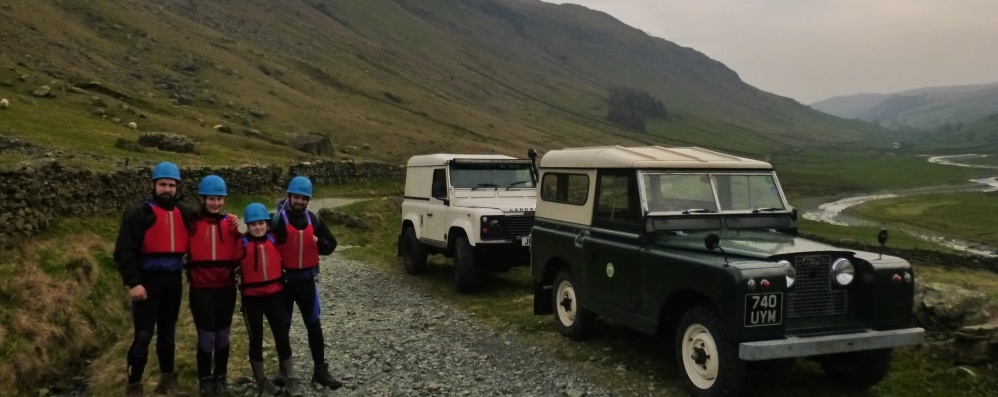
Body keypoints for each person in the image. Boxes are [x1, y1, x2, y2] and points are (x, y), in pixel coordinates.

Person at [114, 162, 193, 397]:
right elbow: (124, 251)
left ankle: (166, 381)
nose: (167, 189)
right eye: (162, 185)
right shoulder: (138, 214)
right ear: (153, 185)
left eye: (171, 185)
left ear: (177, 187)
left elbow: (210, 219)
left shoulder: (185, 213)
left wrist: (229, 220)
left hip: (172, 280)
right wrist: (133, 282)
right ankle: (134, 385)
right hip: (147, 281)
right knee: (144, 334)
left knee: (168, 333)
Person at [270, 176, 343, 390]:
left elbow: (331, 245)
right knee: (282, 327)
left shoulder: (315, 220)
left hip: (307, 282)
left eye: (304, 198)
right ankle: (285, 371)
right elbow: (260, 243)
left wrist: (318, 242)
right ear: (289, 196)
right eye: (296, 197)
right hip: (283, 283)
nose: (300, 202)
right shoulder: (277, 221)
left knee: (314, 326)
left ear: (308, 200)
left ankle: (320, 371)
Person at [237, 203, 300, 397]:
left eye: (262, 223)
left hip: (274, 295)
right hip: (252, 299)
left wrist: (282, 208)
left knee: (282, 335)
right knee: (256, 339)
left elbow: (285, 224)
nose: (258, 227)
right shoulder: (242, 244)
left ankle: (290, 376)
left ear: (267, 224)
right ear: (247, 226)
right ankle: (262, 380)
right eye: (253, 224)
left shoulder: (274, 239)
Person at [186, 175, 240, 396]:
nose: (216, 203)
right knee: (207, 335)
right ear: (202, 199)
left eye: (219, 198)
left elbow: (240, 250)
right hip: (201, 289)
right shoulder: (191, 223)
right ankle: (205, 378)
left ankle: (221, 375)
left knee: (223, 334)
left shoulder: (230, 224)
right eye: (211, 198)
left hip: (226, 288)